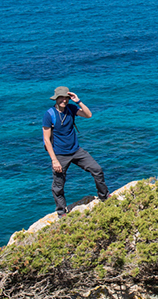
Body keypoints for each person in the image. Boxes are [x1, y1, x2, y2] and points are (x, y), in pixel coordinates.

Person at [42, 86, 109, 216]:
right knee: (58, 185)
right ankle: (61, 212)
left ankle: (104, 196)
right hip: (60, 155)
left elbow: (88, 115)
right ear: (56, 99)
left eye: (66, 98)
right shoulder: (49, 114)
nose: (64, 100)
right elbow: (46, 139)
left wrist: (78, 101)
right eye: (61, 98)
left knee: (97, 170)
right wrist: (54, 160)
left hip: (76, 151)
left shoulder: (71, 109)